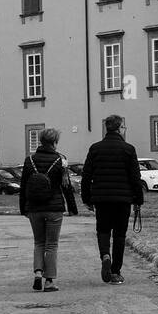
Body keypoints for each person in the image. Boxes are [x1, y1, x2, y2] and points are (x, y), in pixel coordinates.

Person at [80, 115, 144, 285]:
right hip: (123, 199)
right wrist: (138, 199)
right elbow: (135, 177)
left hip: (101, 199)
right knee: (120, 235)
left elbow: (86, 176)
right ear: (120, 128)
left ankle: (105, 255)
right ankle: (115, 272)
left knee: (103, 230)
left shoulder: (95, 149)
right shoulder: (128, 149)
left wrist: (87, 198)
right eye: (124, 127)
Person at [20, 127, 77, 292]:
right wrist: (72, 208)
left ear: (40, 141)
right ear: (55, 142)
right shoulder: (60, 161)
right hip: (54, 208)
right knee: (51, 245)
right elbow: (66, 187)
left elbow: (24, 186)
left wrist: (23, 208)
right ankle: (49, 281)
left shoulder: (29, 160)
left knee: (39, 242)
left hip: (34, 208)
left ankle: (38, 273)